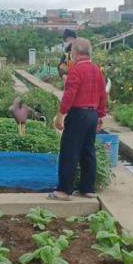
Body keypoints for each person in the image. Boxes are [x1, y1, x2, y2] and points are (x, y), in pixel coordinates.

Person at [49, 37, 107, 200]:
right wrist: (100, 115)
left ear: (74, 52)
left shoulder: (76, 70)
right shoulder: (97, 69)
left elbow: (70, 95)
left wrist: (60, 114)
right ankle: (87, 189)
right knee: (88, 151)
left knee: (70, 151)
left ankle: (64, 191)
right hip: (91, 114)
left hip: (78, 114)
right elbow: (102, 94)